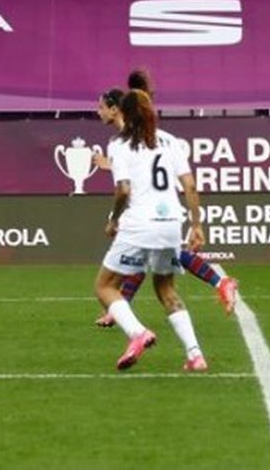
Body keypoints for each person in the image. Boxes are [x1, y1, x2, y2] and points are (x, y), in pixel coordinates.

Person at [91, 72, 239, 328]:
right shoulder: (137, 136)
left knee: (141, 253)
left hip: (148, 205)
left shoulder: (126, 138)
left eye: (101, 107)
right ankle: (120, 307)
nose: (98, 112)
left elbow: (133, 174)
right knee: (144, 255)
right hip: (159, 205)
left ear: (116, 110)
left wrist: (112, 169)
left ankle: (121, 308)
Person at [95, 88, 209, 371]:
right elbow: (190, 185)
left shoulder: (120, 144)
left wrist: (113, 219)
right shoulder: (170, 141)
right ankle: (195, 355)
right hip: (171, 223)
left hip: (139, 224)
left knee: (105, 286)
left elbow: (123, 189)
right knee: (166, 289)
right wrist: (196, 225)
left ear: (124, 112)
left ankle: (138, 333)